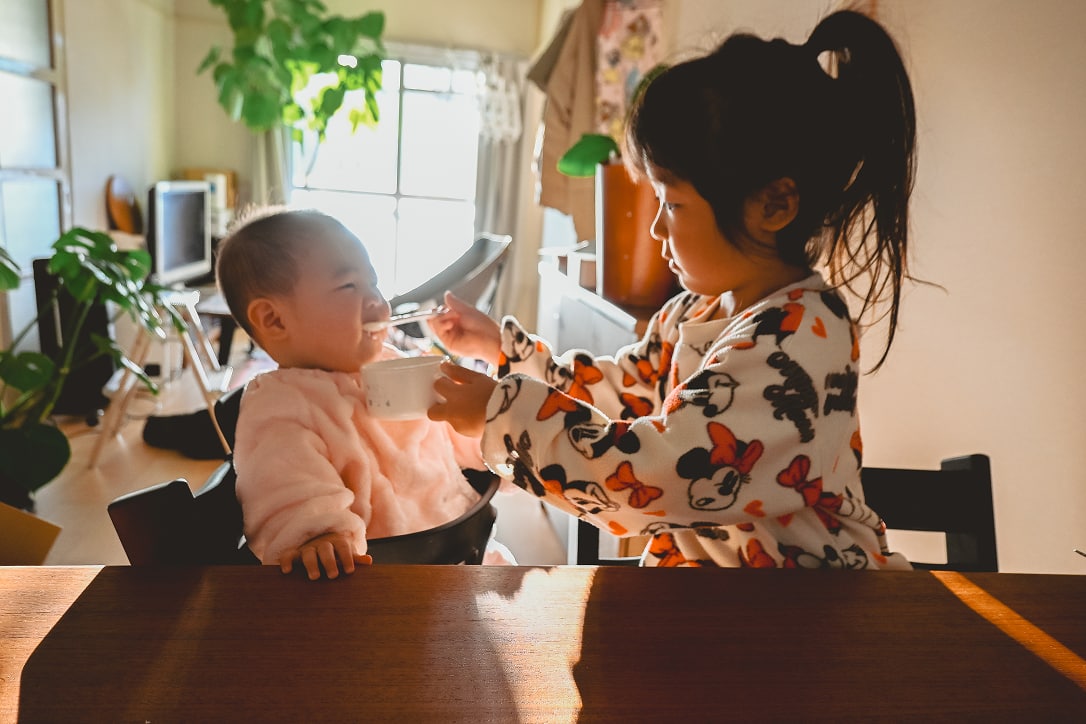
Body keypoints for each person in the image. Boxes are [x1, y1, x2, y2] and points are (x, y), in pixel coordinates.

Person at [428, 10, 916, 569]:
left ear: (773, 206)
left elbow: (660, 469)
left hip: (809, 619)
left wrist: (502, 416)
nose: (657, 227)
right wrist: (507, 352)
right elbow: (618, 395)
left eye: (674, 203)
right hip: (711, 605)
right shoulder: (697, 309)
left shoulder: (801, 338)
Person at [215, 208, 483, 580]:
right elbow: (289, 493)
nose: (378, 303)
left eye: (374, 284)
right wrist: (320, 536)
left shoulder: (394, 366)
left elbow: (459, 439)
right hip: (376, 586)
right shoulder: (281, 407)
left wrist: (484, 423)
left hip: (462, 555)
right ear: (275, 320)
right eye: (349, 286)